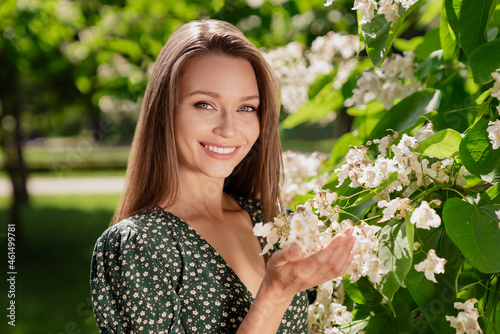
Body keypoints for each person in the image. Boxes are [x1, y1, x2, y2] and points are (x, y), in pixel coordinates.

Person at [90, 19, 355, 334]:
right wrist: (275, 296)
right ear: (165, 111)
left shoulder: (267, 221)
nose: (229, 129)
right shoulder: (139, 245)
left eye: (246, 108)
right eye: (205, 104)